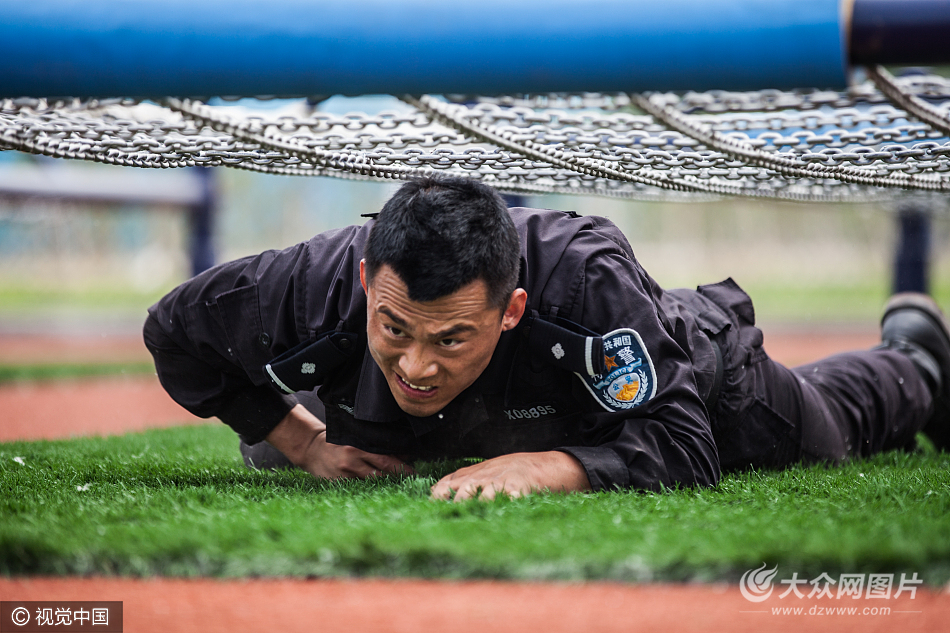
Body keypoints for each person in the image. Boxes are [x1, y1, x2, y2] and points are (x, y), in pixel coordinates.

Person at [143, 175, 950, 501]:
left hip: (687, 375)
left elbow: (684, 444)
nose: (416, 365)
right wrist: (294, 434)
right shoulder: (310, 280)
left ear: (513, 307)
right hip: (470, 411)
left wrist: (550, 465)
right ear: (364, 285)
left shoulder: (586, 279)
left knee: (823, 432)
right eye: (395, 328)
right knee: (268, 453)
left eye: (452, 337)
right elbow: (173, 331)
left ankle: (917, 356)